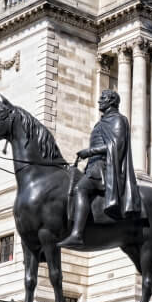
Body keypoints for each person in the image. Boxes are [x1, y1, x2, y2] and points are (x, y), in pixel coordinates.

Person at [57, 90, 141, 248]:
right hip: (93, 166)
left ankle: (77, 235)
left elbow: (116, 146)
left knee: (81, 189)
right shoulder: (101, 123)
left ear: (112, 101)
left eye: (103, 99)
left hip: (105, 167)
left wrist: (89, 152)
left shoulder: (118, 120)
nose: (99, 101)